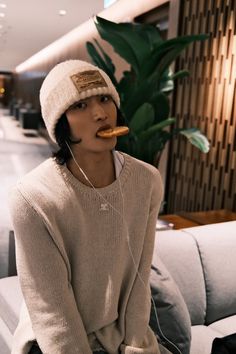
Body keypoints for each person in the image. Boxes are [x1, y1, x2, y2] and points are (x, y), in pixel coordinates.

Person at [9, 60, 169, 354]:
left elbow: (139, 276)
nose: (99, 114)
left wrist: (135, 345)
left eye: (105, 99)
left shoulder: (146, 181)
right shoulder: (32, 197)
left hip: (117, 333)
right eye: (80, 106)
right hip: (54, 340)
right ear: (60, 122)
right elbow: (51, 309)